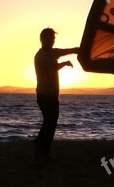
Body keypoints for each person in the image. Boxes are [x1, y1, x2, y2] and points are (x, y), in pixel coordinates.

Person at [34, 28, 78, 157]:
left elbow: (69, 50)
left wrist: (80, 49)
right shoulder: (41, 55)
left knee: (51, 121)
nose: (52, 41)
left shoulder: (53, 53)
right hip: (43, 94)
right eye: (50, 38)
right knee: (49, 120)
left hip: (52, 94)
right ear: (43, 39)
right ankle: (41, 147)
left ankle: (43, 147)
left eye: (53, 38)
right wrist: (64, 63)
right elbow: (50, 68)